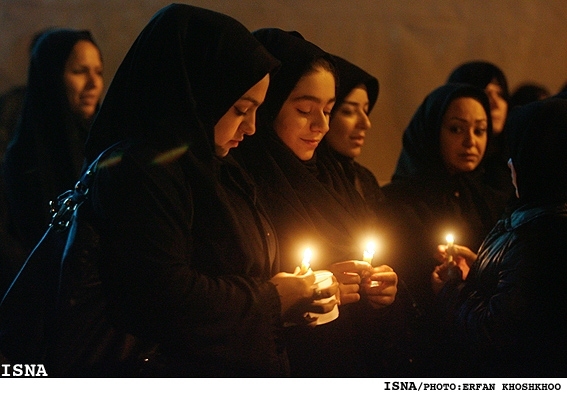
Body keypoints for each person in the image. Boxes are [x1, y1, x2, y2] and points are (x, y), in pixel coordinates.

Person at [81, 5, 337, 377]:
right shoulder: (141, 171)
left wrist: (298, 292)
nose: (251, 128)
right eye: (239, 109)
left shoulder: (218, 166)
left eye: (257, 110)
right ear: (197, 92)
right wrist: (273, 300)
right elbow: (158, 295)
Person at [236, 28, 397, 377]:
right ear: (269, 104)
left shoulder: (330, 176)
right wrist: (319, 285)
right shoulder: (244, 181)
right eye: (306, 109)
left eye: (328, 109)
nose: (321, 125)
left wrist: (376, 288)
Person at [432, 94, 567, 377]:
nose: (509, 163)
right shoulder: (531, 214)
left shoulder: (543, 235)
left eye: (519, 149)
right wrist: (481, 268)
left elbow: (495, 333)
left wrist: (449, 289)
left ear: (541, 157)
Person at [2, 28, 104, 253]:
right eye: (79, 71)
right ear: (51, 78)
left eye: (99, 72)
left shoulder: (106, 142)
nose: (94, 83)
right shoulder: (25, 160)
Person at [447, 61, 515, 199]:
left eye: (500, 94)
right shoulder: (453, 178)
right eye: (486, 94)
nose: (496, 104)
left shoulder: (513, 162)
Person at [325, 55, 384, 212]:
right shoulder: (308, 180)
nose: (366, 124)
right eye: (348, 111)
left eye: (365, 111)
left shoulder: (364, 180)